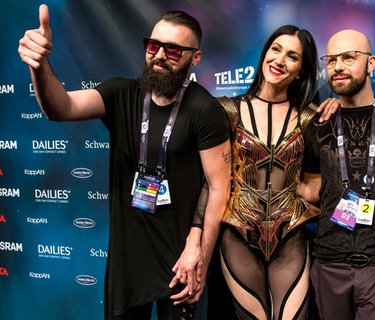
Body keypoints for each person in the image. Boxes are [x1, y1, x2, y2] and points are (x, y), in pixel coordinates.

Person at [18, 5, 231, 319]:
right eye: (153, 46)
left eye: (173, 50)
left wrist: (198, 252)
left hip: (179, 261)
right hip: (127, 262)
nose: (159, 55)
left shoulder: (205, 109)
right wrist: (39, 65)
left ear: (194, 58)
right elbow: (60, 108)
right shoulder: (121, 93)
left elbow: (218, 186)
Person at [299, 29, 375, 320]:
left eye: (349, 57)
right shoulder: (317, 124)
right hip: (329, 261)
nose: (338, 66)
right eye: (331, 59)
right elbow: (313, 189)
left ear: (371, 63)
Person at [212, 24, 324, 320]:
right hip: (238, 233)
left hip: (291, 234)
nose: (280, 60)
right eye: (276, 50)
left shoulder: (312, 117)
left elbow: (316, 182)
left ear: (301, 70)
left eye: (292, 56)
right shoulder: (227, 111)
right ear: (264, 55)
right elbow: (213, 184)